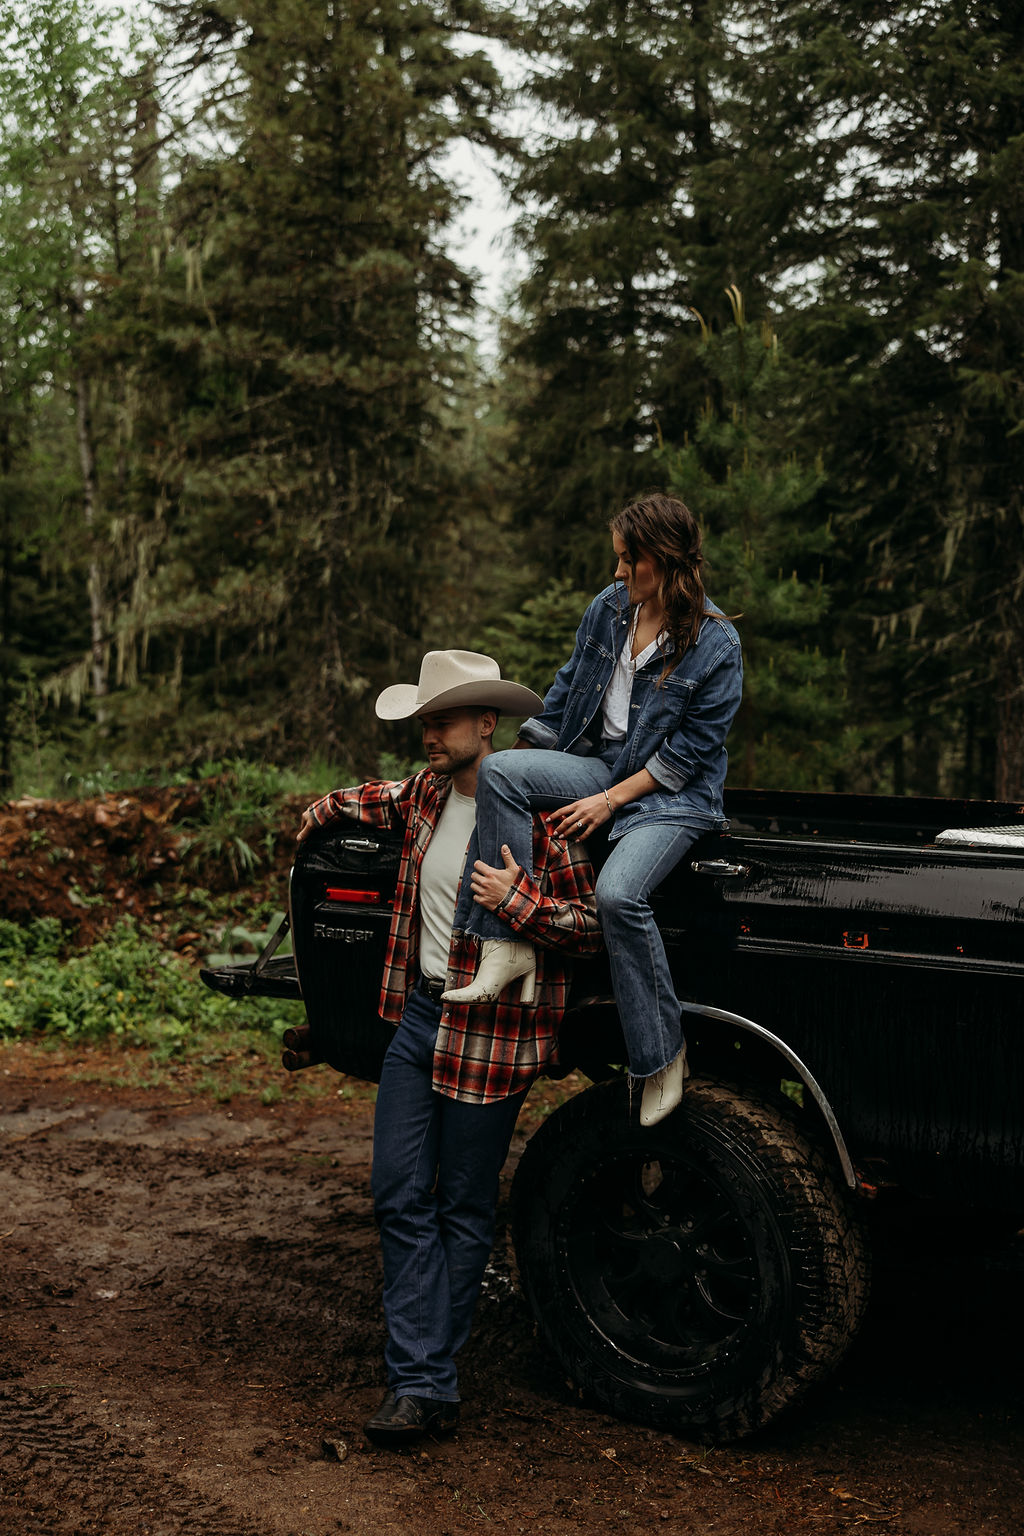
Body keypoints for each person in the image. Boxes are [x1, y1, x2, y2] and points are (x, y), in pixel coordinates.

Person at [297, 650, 602, 1448]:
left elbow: (592, 928)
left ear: (484, 725)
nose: (426, 735)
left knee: (464, 1207)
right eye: (422, 721)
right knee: (398, 1194)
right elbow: (378, 796)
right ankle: (422, 1377)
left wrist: (520, 901)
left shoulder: (538, 819)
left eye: (440, 721)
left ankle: (424, 1383)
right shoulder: (426, 797)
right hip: (419, 1019)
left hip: (493, 1038)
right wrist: (326, 807)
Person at [443, 493, 742, 1128]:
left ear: (660, 561)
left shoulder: (716, 645)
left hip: (670, 796)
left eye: (626, 562)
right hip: (600, 762)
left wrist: (608, 802)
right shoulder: (608, 610)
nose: (616, 574)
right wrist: (523, 764)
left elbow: (688, 755)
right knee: (499, 771)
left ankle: (661, 1056)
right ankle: (507, 945)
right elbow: (561, 695)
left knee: (618, 896)